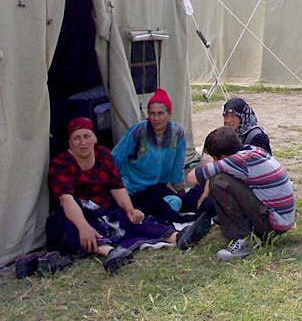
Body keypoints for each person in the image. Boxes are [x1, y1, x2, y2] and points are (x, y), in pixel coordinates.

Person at [46, 117, 211, 272]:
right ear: (70, 142)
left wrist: (130, 209)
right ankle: (111, 253)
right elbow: (66, 199)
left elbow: (116, 187)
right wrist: (83, 227)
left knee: (135, 218)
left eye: (86, 136)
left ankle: (179, 237)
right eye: (77, 138)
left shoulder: (103, 155)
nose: (83, 142)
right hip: (80, 212)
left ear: (94, 138)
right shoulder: (61, 164)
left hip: (106, 209)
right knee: (71, 225)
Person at [186, 126, 295, 261]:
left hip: (273, 225)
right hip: (281, 219)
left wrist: (208, 162)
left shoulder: (236, 161)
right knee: (228, 179)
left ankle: (242, 240)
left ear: (223, 157)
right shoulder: (251, 151)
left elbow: (191, 178)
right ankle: (238, 225)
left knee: (218, 182)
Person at [112, 88, 194, 223]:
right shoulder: (138, 131)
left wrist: (179, 189)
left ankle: (155, 216)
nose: (155, 118)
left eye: (160, 113)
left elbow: (177, 165)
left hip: (156, 188)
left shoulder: (177, 133)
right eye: (152, 114)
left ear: (169, 114)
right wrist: (116, 186)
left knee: (175, 202)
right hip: (133, 188)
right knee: (136, 210)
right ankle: (156, 217)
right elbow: (116, 158)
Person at [182, 98, 273, 218]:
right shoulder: (229, 135)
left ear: (242, 117)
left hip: (245, 187)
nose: (228, 121)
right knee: (189, 200)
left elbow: (254, 174)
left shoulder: (257, 138)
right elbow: (214, 162)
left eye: (232, 117)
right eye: (225, 116)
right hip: (224, 178)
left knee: (206, 206)